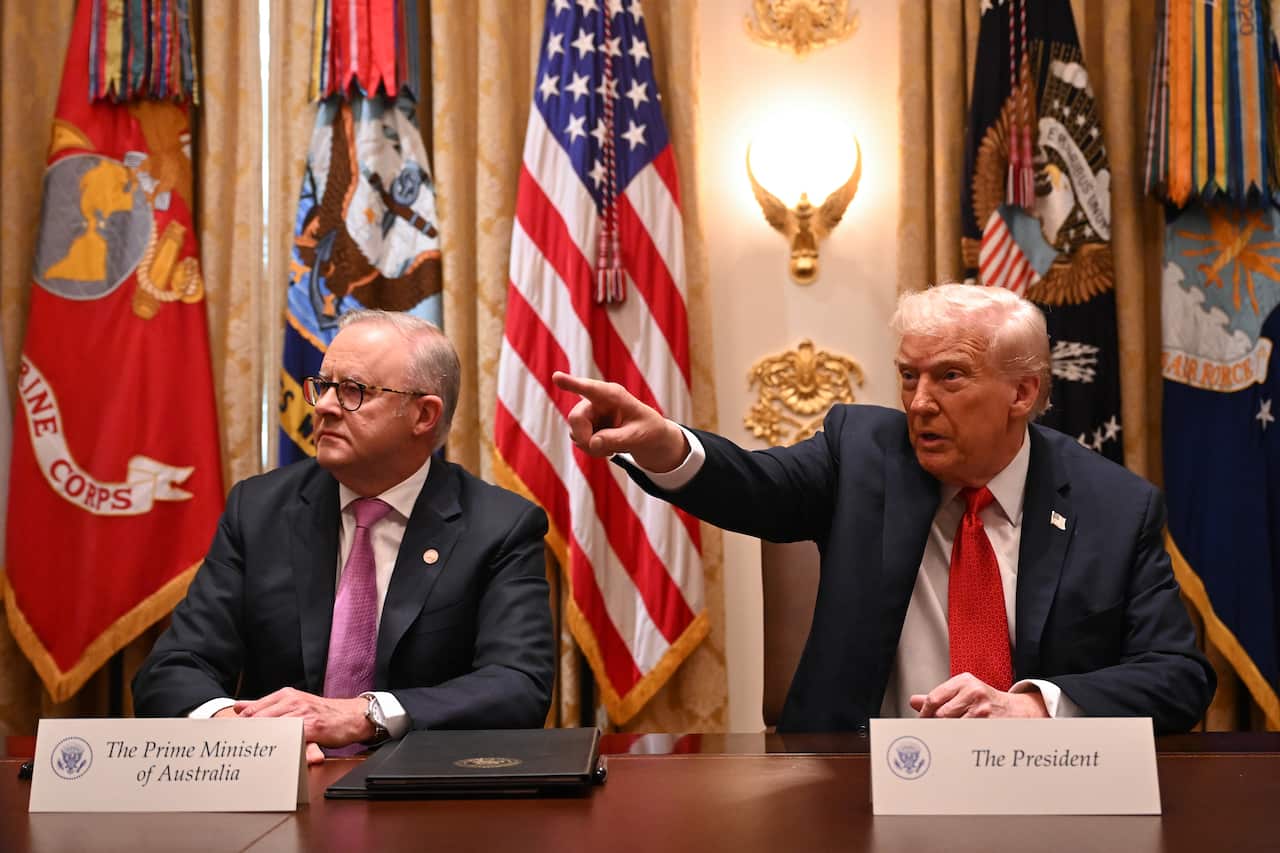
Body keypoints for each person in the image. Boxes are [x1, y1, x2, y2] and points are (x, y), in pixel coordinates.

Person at [552, 283, 1215, 734]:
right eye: (908, 375)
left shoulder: (1113, 506)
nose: (919, 402)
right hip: (857, 791)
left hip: (1040, 797)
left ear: (1022, 393)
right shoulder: (863, 452)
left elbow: (1179, 677)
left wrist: (1037, 707)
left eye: (949, 376)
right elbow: (752, 484)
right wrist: (666, 444)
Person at [134, 311, 555, 762]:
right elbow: (173, 667)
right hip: (285, 786)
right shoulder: (258, 510)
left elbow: (517, 685)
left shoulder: (499, 526)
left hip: (423, 790)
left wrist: (366, 715)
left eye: (354, 390)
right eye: (323, 386)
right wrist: (238, 732)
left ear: (423, 415)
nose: (324, 406)